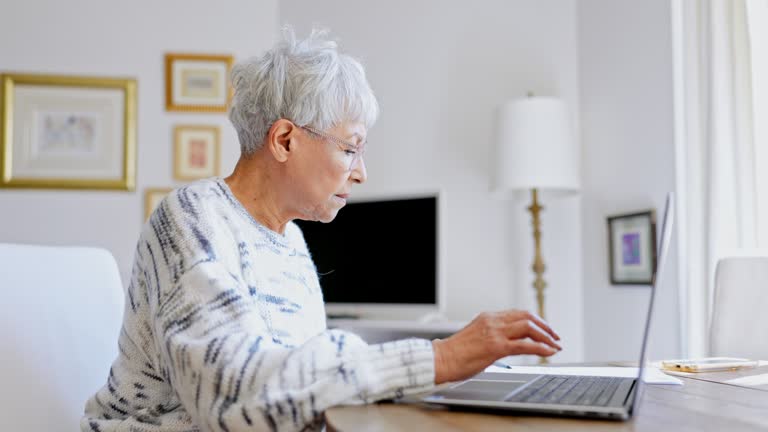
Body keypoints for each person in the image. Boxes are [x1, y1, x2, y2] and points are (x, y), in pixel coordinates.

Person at [81, 27, 562, 432]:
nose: (361, 172)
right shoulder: (191, 219)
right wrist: (439, 358)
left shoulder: (290, 241)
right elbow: (232, 398)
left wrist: (452, 375)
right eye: (350, 149)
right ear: (285, 140)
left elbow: (300, 388)